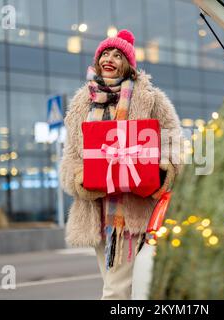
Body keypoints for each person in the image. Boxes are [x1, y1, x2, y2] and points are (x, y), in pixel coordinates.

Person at [59, 29, 182, 300]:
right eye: (105, 53)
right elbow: (71, 158)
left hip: (136, 210)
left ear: (127, 64)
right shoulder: (82, 103)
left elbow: (175, 144)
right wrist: (80, 179)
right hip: (97, 212)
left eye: (117, 54)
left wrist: (163, 171)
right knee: (123, 289)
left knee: (116, 291)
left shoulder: (151, 99)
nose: (109, 58)